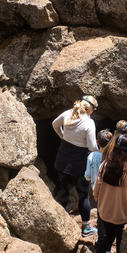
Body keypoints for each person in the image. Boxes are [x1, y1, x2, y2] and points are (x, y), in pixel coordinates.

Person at [89, 133, 127, 253]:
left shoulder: (105, 165)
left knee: (108, 238)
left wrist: (97, 198)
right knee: (120, 240)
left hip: (105, 211)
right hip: (122, 213)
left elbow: (97, 188)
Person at [52, 95, 99, 236]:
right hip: (79, 165)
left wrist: (63, 137)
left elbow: (54, 124)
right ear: (91, 110)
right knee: (83, 196)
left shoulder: (68, 114)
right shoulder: (89, 123)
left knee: (63, 190)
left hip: (62, 160)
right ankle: (86, 228)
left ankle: (58, 223)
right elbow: (92, 146)